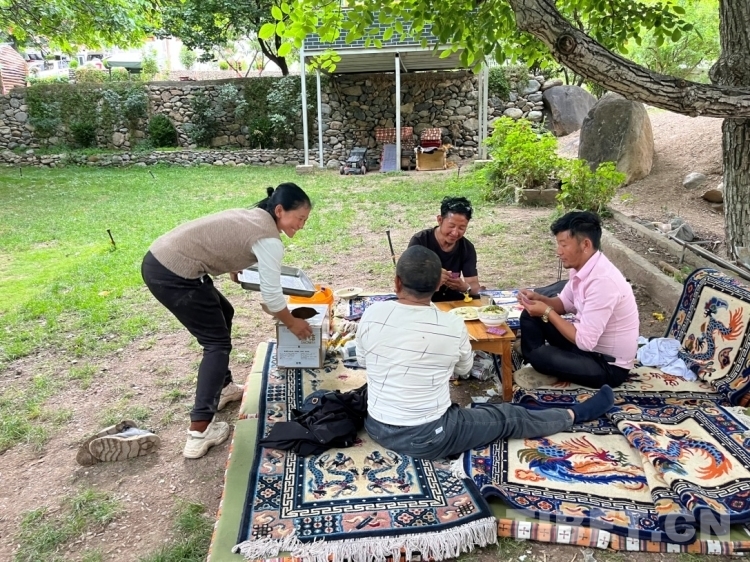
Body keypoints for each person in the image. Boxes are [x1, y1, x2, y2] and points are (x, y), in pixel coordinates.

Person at [355, 245, 615, 460]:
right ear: (437, 286)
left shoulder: (371, 313)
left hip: (376, 427)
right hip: (429, 437)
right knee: (507, 416)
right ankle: (573, 415)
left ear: (397, 282)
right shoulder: (451, 324)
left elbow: (363, 360)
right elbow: (465, 369)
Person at [141, 183, 314, 459]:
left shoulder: (257, 216)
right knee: (216, 344)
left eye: (305, 220)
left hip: (160, 258)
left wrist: (237, 264)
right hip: (173, 273)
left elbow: (228, 238)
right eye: (300, 218)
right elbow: (272, 296)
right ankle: (199, 432)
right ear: (280, 211)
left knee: (224, 312)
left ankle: (224, 389)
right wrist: (292, 322)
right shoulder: (269, 240)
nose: (302, 226)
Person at [518, 211, 639, 388]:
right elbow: (563, 304)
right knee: (530, 315)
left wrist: (547, 311)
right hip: (585, 348)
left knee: (539, 354)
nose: (558, 251)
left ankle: (540, 361)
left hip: (607, 365)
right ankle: (541, 360)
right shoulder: (581, 268)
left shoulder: (603, 282)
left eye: (564, 245)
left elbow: (584, 341)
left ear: (585, 245)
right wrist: (539, 299)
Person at [408, 196, 481, 301]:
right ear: (440, 220)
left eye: (461, 228)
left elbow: (474, 285)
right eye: (451, 226)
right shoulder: (420, 241)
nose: (455, 233)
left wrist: (465, 287)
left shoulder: (467, 248)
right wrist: (432, 277)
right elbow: (408, 279)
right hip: (423, 300)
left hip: (453, 301)